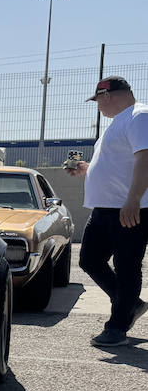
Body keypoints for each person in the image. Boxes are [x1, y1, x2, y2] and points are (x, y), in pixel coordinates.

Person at [67, 75, 148, 347]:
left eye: (98, 101)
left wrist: (133, 199)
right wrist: (87, 169)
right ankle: (130, 305)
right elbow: (117, 165)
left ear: (107, 95)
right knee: (89, 260)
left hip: (128, 209)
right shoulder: (118, 123)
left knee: (126, 267)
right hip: (105, 209)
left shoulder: (140, 116)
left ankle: (117, 326)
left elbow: (145, 158)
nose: (98, 107)